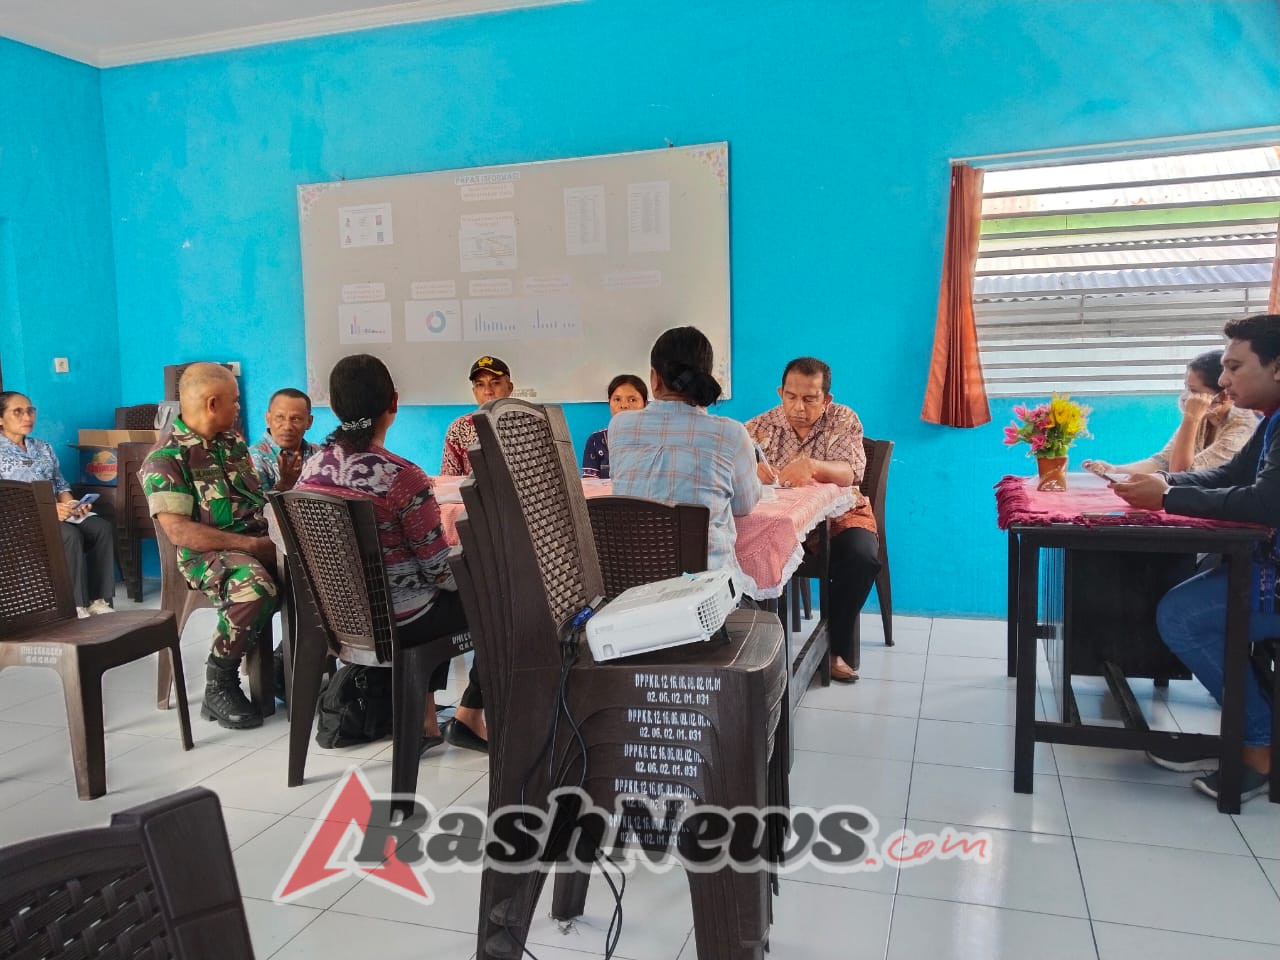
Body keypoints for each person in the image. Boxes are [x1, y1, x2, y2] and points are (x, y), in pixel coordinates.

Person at [1113, 314, 1279, 803]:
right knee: (1197, 583)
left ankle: (1258, 745)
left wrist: (1166, 498)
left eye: (1234, 367)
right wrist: (1164, 484)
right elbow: (1230, 476)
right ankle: (1248, 729)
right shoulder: (1272, 421)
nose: (1223, 381)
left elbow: (1264, 502)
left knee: (1183, 615)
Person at [296, 355, 487, 752]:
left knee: (432, 594)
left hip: (336, 618)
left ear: (334, 407)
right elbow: (439, 573)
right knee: (504, 599)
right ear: (393, 403)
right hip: (400, 623)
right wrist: (480, 566)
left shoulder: (310, 469)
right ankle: (470, 715)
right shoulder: (403, 477)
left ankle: (426, 722)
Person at [140, 363, 278, 730]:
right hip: (205, 556)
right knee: (254, 586)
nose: (239, 407)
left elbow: (256, 502)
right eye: (235, 400)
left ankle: (284, 665)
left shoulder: (233, 443)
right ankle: (220, 680)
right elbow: (181, 533)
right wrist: (253, 546)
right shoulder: (165, 459)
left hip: (256, 543)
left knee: (325, 570)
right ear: (213, 403)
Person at [746, 358, 880, 684]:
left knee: (861, 558)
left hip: (841, 515)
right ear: (780, 392)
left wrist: (814, 466)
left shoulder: (843, 418)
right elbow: (733, 464)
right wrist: (749, 470)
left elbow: (851, 472)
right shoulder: (760, 426)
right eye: (791, 397)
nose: (798, 407)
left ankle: (833, 649)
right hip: (786, 523)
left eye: (809, 399)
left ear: (826, 398)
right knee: (746, 549)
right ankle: (761, 656)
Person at [609, 326, 761, 587]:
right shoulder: (730, 434)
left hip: (632, 586)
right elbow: (744, 506)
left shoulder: (620, 426)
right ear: (707, 377)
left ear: (654, 379)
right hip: (703, 589)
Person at [0, 391, 116, 618]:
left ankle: (98, 600)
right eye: (18, 412)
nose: (27, 417)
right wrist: (47, 511)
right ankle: (75, 605)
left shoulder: (43, 447)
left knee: (101, 528)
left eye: (30, 411)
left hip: (57, 511)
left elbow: (61, 484)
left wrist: (72, 504)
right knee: (69, 535)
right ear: (1, 419)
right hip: (19, 519)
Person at [1084, 350, 1258, 476]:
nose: (1187, 397)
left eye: (1194, 391)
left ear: (1223, 395)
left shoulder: (1242, 428)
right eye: (1187, 388)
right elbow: (1162, 462)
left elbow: (1182, 474)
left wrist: (1191, 419)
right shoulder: (1205, 417)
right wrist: (1116, 471)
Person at [440, 356, 514, 477]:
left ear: (510, 387)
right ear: (474, 391)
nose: (488, 391)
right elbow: (448, 478)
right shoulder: (460, 428)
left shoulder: (529, 424)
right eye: (480, 385)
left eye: (495, 383)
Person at [249, 387, 319, 492]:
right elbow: (256, 502)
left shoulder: (318, 453)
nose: (287, 427)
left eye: (296, 419)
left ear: (309, 422)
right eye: (280, 417)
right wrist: (284, 485)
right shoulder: (252, 458)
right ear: (268, 419)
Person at [581, 374, 648, 479]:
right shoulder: (596, 441)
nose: (624, 405)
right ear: (609, 403)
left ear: (645, 404)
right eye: (617, 399)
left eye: (632, 400)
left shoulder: (657, 440)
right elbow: (590, 484)